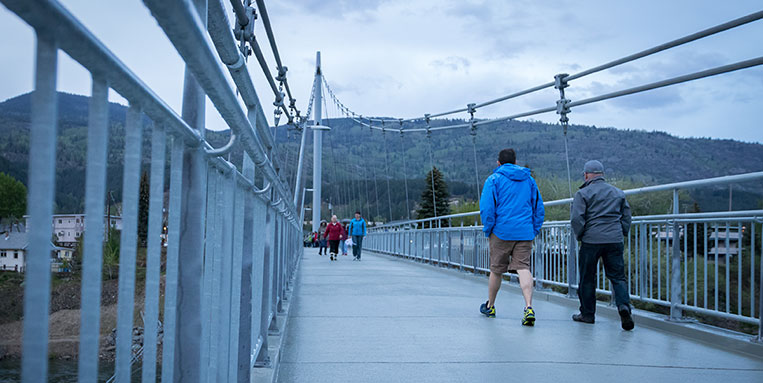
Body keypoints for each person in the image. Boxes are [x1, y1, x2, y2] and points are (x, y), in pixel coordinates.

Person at [478, 148, 544, 326]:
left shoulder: (494, 180)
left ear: (498, 163)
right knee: (523, 267)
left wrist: (489, 229)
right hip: (524, 232)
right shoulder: (529, 180)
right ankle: (528, 307)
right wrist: (533, 229)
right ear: (515, 162)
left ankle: (490, 306)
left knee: (496, 269)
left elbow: (487, 208)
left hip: (501, 231)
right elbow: (538, 207)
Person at [570, 160, 634, 330]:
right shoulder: (618, 193)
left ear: (586, 175)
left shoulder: (583, 193)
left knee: (587, 278)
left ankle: (587, 314)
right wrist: (622, 232)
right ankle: (624, 307)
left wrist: (581, 234)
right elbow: (626, 216)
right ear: (602, 174)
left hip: (591, 240)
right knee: (618, 277)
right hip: (614, 239)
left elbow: (577, 218)